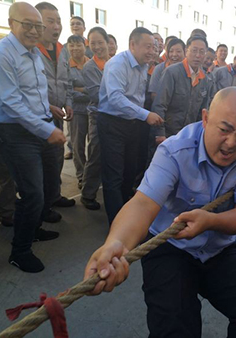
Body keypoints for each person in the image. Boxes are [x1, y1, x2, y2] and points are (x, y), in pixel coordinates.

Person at [84, 87, 236, 337]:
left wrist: (210, 220)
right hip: (169, 248)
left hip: (217, 249)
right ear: (206, 118)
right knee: (176, 329)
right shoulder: (174, 150)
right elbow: (143, 203)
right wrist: (116, 244)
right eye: (224, 129)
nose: (232, 143)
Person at [0, 1, 65, 272]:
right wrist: (47, 129)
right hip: (16, 132)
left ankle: (33, 229)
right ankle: (19, 251)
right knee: (32, 193)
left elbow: (31, 94)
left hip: (39, 125)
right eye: (28, 25)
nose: (34, 31)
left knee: (46, 188)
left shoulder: (32, 53)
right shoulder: (0, 54)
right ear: (11, 23)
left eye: (38, 26)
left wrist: (49, 110)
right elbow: (10, 103)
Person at [97, 27, 163, 224]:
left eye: (154, 47)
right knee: (114, 175)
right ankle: (117, 225)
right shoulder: (117, 64)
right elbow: (115, 98)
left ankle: (126, 213)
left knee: (130, 170)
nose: (152, 51)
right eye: (148, 46)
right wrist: (145, 115)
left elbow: (138, 97)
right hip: (112, 123)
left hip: (132, 123)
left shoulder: (144, 65)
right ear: (132, 45)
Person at [35, 2, 75, 218]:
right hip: (37, 117)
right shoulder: (31, 51)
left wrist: (68, 102)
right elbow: (27, 90)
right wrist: (48, 106)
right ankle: (41, 207)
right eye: (50, 21)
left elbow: (67, 82)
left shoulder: (62, 50)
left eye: (58, 21)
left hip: (58, 115)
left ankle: (54, 195)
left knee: (56, 158)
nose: (56, 26)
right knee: (40, 163)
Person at [152, 35, 209, 141]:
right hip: (168, 134)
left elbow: (202, 111)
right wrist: (160, 133)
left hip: (188, 136)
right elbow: (159, 104)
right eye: (194, 50)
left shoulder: (205, 79)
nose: (197, 55)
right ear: (187, 51)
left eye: (202, 52)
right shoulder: (172, 72)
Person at [80, 27, 110, 211]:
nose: (97, 47)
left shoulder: (114, 62)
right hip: (98, 115)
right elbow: (96, 93)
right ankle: (87, 194)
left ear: (107, 42)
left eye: (100, 42)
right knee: (95, 154)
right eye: (93, 43)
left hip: (115, 116)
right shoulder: (90, 67)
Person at [66, 35, 90, 193]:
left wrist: (79, 89)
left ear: (84, 46)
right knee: (77, 145)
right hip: (76, 111)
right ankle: (81, 176)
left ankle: (91, 176)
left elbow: (99, 88)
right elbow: (68, 90)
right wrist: (86, 92)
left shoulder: (92, 64)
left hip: (94, 110)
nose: (75, 48)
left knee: (95, 146)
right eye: (71, 45)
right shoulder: (66, 66)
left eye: (78, 45)